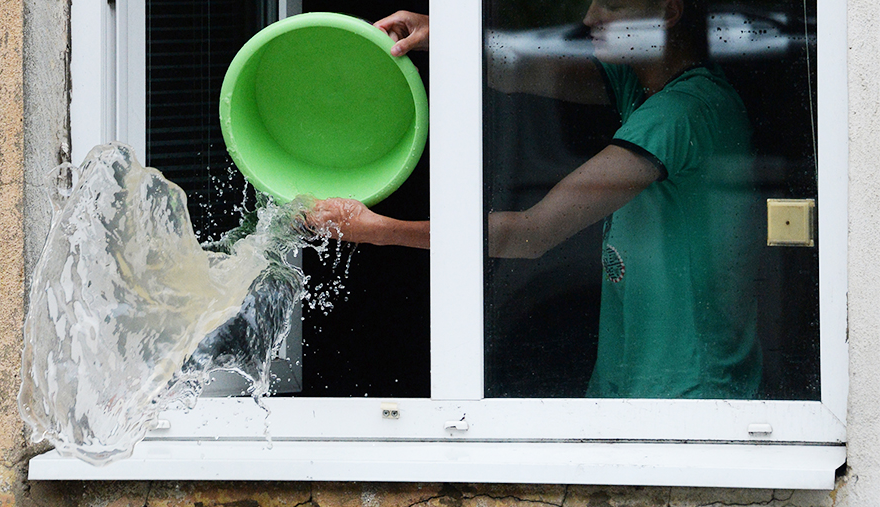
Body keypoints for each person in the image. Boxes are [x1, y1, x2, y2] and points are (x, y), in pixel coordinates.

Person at [309, 0, 762, 399]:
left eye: (613, 5)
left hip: (686, 394)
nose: (590, 17)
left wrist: (379, 230)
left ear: (669, 10)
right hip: (650, 384)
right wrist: (443, 32)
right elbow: (520, 69)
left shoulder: (680, 112)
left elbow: (533, 233)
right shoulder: (648, 87)